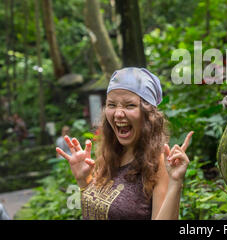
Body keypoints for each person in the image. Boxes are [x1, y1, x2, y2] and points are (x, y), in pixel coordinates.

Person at [56, 67, 193, 220]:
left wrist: (176, 183)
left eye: (130, 105)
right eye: (112, 105)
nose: (118, 114)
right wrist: (83, 181)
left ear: (149, 115)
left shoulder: (159, 164)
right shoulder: (109, 156)